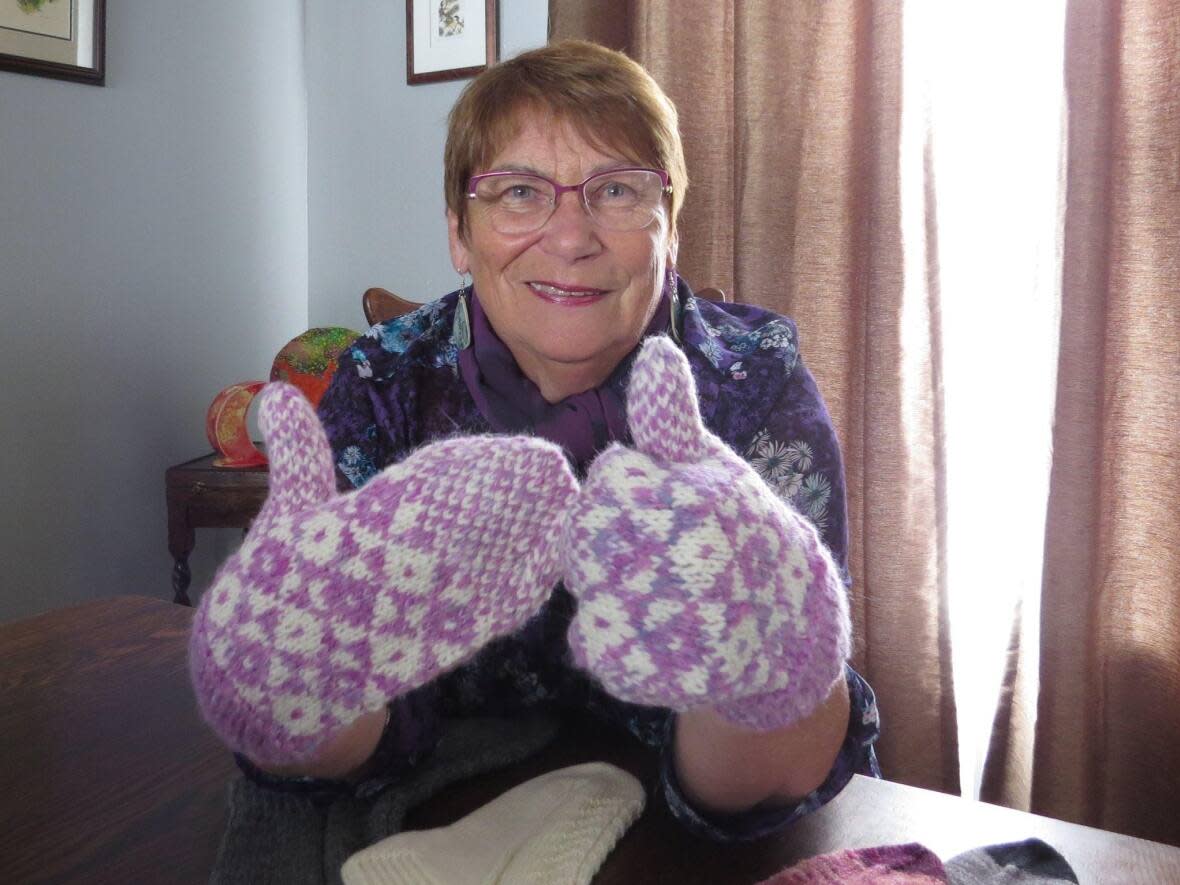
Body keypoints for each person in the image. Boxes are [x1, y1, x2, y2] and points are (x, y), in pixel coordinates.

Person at [190, 39, 879, 844]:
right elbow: (372, 734)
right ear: (460, 232)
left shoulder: (754, 381)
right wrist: (297, 688)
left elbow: (767, 784)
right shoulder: (384, 381)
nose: (570, 235)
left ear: (670, 228)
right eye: (519, 192)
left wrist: (761, 666)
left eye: (617, 190)